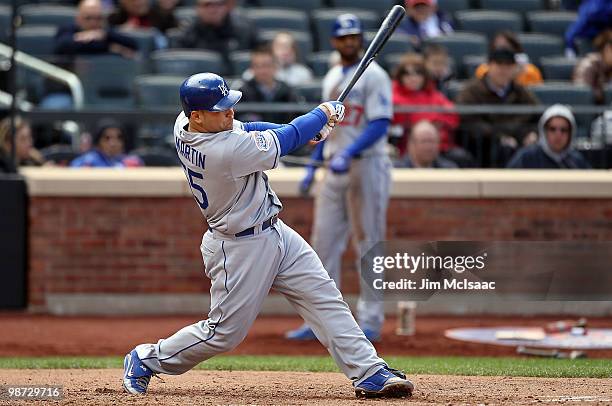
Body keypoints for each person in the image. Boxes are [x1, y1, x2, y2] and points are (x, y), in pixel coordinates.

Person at [121, 72, 415, 399]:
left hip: (274, 230)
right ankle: (146, 359)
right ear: (198, 116)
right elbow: (281, 139)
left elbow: (249, 130)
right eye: (221, 109)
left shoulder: (185, 124)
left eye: (228, 105)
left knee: (324, 296)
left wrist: (310, 130)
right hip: (239, 246)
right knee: (224, 334)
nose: (230, 112)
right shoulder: (222, 152)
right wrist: (321, 115)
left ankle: (369, 371)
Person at [285, 14, 392, 342]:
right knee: (322, 244)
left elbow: (380, 123)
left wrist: (349, 152)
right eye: (343, 37)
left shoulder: (375, 75)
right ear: (334, 41)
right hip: (333, 167)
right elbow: (327, 128)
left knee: (369, 241)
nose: (349, 42)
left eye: (354, 36)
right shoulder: (332, 76)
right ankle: (321, 320)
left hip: (367, 165)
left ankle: (371, 319)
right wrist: (314, 163)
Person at [44, 0, 139, 109]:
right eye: (88, 18)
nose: (93, 23)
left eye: (98, 18)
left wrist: (103, 35)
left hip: (102, 89)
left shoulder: (107, 33)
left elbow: (134, 44)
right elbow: (62, 46)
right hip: (67, 90)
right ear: (78, 19)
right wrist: (107, 46)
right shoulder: (66, 31)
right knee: (54, 106)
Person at [456, 48, 539, 167]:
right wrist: (499, 137)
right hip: (483, 148)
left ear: (515, 68)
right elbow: (469, 121)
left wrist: (531, 133)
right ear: (489, 66)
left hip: (517, 143)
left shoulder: (520, 91)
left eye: (508, 66)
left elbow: (536, 114)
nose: (503, 70)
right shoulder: (472, 91)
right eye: (499, 65)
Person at [391, 52, 460, 158]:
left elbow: (453, 117)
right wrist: (432, 121)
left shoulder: (433, 94)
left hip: (440, 147)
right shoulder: (393, 95)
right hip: (406, 151)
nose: (413, 78)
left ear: (424, 76)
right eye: (407, 74)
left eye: (418, 73)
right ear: (400, 77)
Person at [507, 104, 591, 169]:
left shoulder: (576, 161)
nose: (558, 135)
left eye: (564, 130)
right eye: (552, 129)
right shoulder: (526, 157)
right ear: (544, 131)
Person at [175, 0, 257, 64]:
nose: (213, 10)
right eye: (207, 5)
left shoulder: (244, 30)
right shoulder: (187, 34)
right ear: (198, 9)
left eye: (218, 4)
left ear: (226, 7)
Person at [238, 45, 300, 124]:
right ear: (252, 69)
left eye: (266, 65)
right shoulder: (243, 92)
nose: (262, 71)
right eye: (257, 66)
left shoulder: (288, 91)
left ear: (275, 66)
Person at [475, 31, 543, 87]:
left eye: (506, 48)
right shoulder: (483, 70)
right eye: (499, 48)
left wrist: (517, 75)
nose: (503, 53)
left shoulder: (531, 72)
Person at [70, 119, 143, 167]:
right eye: (107, 138)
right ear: (98, 141)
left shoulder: (133, 161)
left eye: (119, 137)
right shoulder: (87, 161)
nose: (113, 143)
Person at [573, 29, 612, 105]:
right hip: (595, 112)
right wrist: (605, 94)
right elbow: (582, 94)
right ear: (607, 49)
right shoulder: (588, 65)